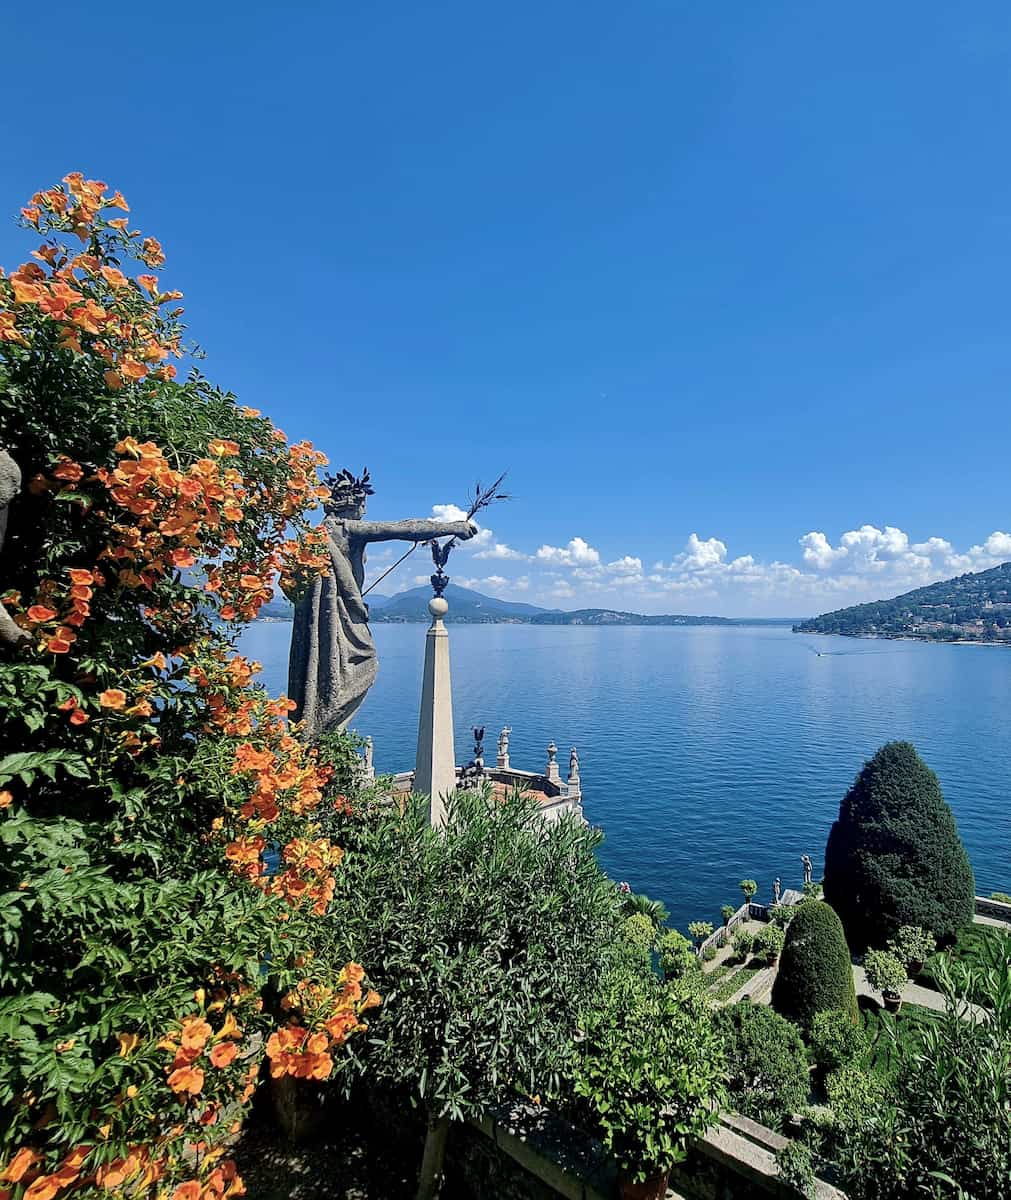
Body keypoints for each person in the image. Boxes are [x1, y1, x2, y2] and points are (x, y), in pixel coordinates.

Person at [287, 468, 476, 739]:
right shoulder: (345, 529)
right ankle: (326, 729)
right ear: (353, 504)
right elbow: (402, 528)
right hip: (341, 614)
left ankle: (319, 728)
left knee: (333, 670)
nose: (364, 511)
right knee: (363, 661)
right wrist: (451, 527)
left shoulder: (317, 535)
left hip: (333, 613)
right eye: (363, 505)